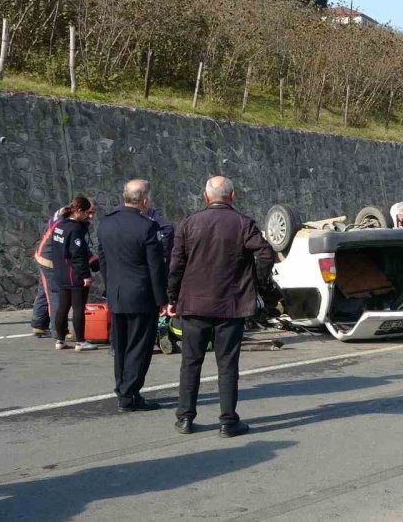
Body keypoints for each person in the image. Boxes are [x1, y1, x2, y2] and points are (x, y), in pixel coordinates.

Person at [168, 176, 277, 438]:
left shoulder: (188, 223)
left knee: (190, 362)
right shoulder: (242, 223)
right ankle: (228, 421)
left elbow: (176, 266)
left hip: (194, 304)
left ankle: (185, 417)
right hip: (232, 304)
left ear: (206, 197)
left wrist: (172, 299)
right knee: (227, 364)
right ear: (233, 196)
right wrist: (258, 283)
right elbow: (265, 253)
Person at [98, 180, 168, 413]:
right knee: (139, 346)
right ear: (145, 201)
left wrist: (111, 288)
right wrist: (162, 299)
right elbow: (155, 267)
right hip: (141, 295)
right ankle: (129, 394)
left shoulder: (106, 223)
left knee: (121, 346)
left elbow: (103, 260)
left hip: (117, 294)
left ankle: (123, 389)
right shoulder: (147, 226)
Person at [51, 196, 98, 351]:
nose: (88, 217)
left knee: (63, 307)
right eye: (86, 213)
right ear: (79, 211)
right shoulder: (75, 229)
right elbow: (77, 254)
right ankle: (81, 341)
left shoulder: (59, 224)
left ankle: (60, 339)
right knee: (78, 308)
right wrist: (86, 275)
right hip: (74, 274)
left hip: (61, 272)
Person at [30, 205, 67, 337]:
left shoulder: (61, 214)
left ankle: (38, 323)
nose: (91, 216)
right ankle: (58, 330)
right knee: (54, 293)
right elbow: (70, 244)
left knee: (44, 289)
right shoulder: (66, 222)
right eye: (89, 212)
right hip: (49, 260)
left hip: (43, 254)